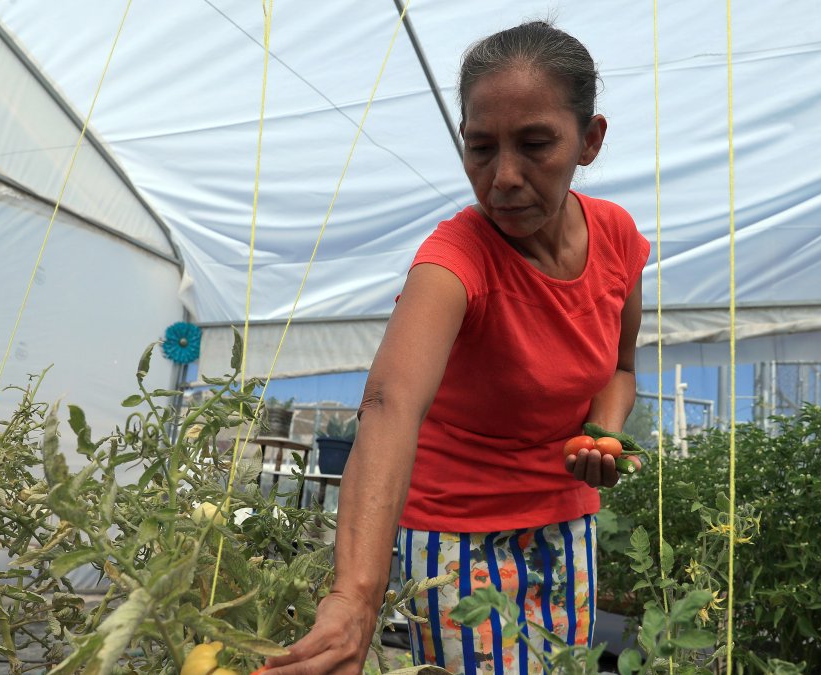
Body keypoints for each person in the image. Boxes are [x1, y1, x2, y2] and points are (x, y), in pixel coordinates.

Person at [266, 20, 649, 675]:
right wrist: (356, 595)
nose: (502, 177)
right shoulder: (454, 258)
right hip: (453, 534)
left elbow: (619, 367)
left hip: (566, 521)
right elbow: (388, 403)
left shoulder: (616, 237)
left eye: (535, 144)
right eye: (480, 148)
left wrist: (604, 434)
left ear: (590, 140)